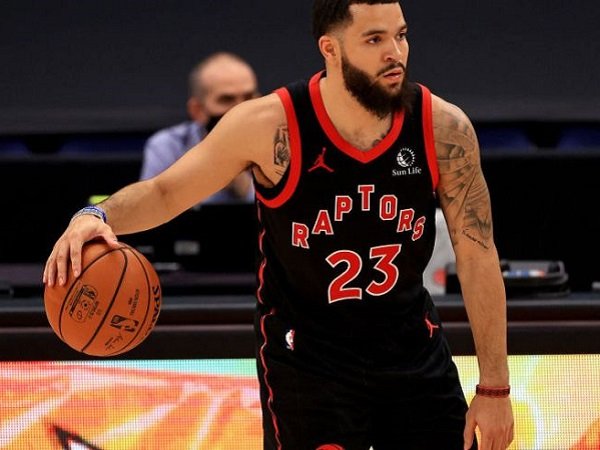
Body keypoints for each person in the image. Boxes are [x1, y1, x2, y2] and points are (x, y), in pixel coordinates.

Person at [44, 1, 514, 448]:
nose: (395, 53)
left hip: (411, 348)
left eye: (401, 34)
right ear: (330, 49)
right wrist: (97, 215)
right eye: (374, 39)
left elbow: (477, 254)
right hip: (309, 360)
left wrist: (495, 389)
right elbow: (166, 192)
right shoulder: (269, 124)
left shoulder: (441, 127)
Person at [140, 51, 259, 203]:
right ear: (197, 110)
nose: (240, 108)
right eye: (226, 100)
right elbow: (150, 209)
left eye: (249, 97)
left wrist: (245, 188)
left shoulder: (280, 143)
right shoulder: (168, 146)